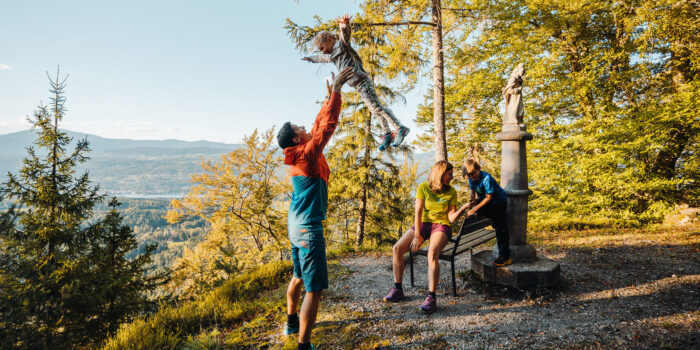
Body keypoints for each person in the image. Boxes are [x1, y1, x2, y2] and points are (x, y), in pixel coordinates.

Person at [277, 67, 354, 350]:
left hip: (295, 227)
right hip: (309, 230)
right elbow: (326, 128)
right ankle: (303, 345)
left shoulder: (298, 153)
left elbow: (318, 122)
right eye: (299, 128)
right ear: (297, 139)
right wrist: (337, 92)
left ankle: (291, 322)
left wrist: (328, 98)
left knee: (298, 275)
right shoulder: (308, 154)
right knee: (315, 288)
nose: (304, 127)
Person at [302, 13, 410, 152]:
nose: (324, 52)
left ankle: (400, 128)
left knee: (377, 108)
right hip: (358, 86)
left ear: (329, 40)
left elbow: (345, 35)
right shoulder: (332, 57)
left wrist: (344, 24)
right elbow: (321, 58)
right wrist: (311, 59)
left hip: (362, 80)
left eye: (323, 47)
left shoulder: (341, 46)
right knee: (374, 109)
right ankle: (387, 134)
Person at [383, 161, 470, 314]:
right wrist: (417, 236)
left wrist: (462, 209)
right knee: (397, 248)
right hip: (423, 224)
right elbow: (418, 212)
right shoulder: (424, 187)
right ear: (441, 174)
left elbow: (450, 218)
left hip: (441, 225)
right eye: (449, 174)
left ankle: (431, 297)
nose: (452, 177)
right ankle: (397, 289)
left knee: (432, 254)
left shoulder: (451, 192)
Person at [462, 159, 511, 267]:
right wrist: (472, 202)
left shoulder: (486, 178)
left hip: (498, 203)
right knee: (499, 226)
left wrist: (475, 209)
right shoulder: (471, 179)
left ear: (478, 169)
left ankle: (505, 256)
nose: (472, 176)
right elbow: (472, 193)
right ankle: (504, 255)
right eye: (469, 175)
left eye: (474, 173)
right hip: (487, 203)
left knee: (500, 228)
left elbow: (489, 197)